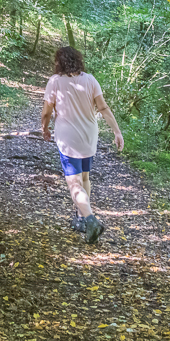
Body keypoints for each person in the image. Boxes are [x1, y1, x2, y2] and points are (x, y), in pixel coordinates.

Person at [40, 46, 123, 244]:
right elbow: (103, 107)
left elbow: (46, 112)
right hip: (89, 136)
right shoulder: (90, 80)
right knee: (84, 177)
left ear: (59, 62)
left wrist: (44, 128)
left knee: (74, 183)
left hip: (68, 139)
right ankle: (80, 219)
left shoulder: (56, 82)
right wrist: (117, 131)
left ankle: (90, 219)